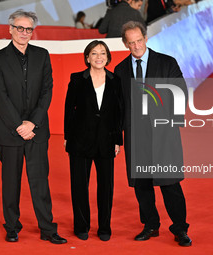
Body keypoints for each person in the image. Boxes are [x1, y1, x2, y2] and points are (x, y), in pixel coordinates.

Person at [0, 10, 67, 244]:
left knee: (40, 181)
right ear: (10, 29)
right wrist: (19, 125)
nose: (24, 33)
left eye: (28, 29)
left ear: (33, 32)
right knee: (10, 183)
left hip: (37, 130)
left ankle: (47, 228)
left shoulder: (42, 55)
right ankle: (12, 226)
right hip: (9, 131)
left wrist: (32, 123)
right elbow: (0, 97)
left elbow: (47, 91)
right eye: (20, 28)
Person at [114, 21, 192, 247]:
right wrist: (117, 138)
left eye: (139, 40)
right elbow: (118, 107)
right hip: (136, 136)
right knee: (142, 185)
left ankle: (180, 229)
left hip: (163, 134)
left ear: (146, 38)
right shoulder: (120, 70)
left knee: (170, 184)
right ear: (126, 44)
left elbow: (180, 94)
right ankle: (150, 225)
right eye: (131, 42)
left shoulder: (167, 62)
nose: (136, 45)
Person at [64, 40, 123, 241]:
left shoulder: (116, 80)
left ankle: (104, 227)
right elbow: (68, 111)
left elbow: (118, 113)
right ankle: (81, 226)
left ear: (108, 57)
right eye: (94, 53)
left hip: (106, 141)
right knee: (79, 185)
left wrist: (117, 140)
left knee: (106, 186)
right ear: (87, 57)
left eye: (103, 53)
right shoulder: (77, 79)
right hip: (80, 140)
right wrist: (67, 137)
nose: (99, 57)